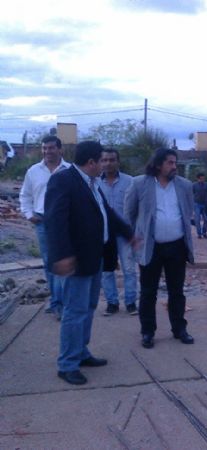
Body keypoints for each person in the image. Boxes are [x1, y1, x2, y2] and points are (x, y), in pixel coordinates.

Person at [45, 140, 135, 385]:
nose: (105, 165)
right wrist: (62, 255)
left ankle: (81, 352)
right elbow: (55, 221)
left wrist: (128, 233)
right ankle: (67, 364)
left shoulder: (92, 183)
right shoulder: (64, 180)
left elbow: (107, 214)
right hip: (75, 260)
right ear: (92, 162)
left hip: (95, 256)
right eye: (101, 161)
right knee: (75, 311)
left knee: (88, 307)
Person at [124, 148, 195, 349]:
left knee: (177, 291)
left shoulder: (184, 185)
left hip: (177, 246)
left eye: (175, 162)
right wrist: (135, 237)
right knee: (148, 292)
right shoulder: (139, 183)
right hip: (150, 247)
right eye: (170, 163)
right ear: (157, 164)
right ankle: (147, 332)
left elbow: (187, 211)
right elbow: (129, 214)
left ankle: (179, 329)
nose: (174, 166)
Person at [19, 135, 70, 319]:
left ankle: (61, 302)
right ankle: (56, 301)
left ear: (60, 149)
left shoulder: (70, 170)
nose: (48, 151)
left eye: (51, 148)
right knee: (49, 262)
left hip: (65, 221)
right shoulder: (33, 171)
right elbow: (25, 195)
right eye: (45, 148)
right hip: (42, 221)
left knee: (64, 261)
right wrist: (29, 214)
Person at [98, 148, 138, 316]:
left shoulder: (130, 182)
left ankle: (130, 302)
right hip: (104, 234)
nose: (108, 163)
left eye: (112, 160)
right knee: (106, 271)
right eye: (104, 160)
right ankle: (112, 303)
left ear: (118, 161)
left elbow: (137, 206)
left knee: (129, 269)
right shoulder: (94, 182)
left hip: (125, 234)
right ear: (100, 162)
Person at [192, 172, 207, 240]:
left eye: (203, 178)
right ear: (198, 179)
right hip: (197, 204)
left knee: (206, 220)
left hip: (205, 205)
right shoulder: (194, 185)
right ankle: (199, 234)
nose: (202, 180)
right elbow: (191, 193)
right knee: (197, 220)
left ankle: (204, 232)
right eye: (201, 179)